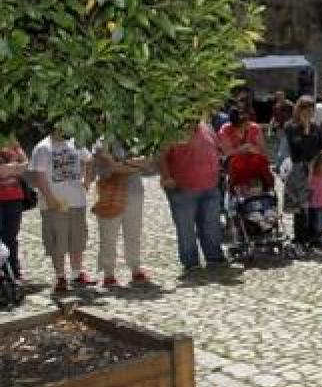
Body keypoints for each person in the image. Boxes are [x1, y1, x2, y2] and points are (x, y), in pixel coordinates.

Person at [160, 118, 227, 274]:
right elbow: (161, 155)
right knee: (186, 229)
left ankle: (214, 256)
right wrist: (166, 176)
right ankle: (191, 262)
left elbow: (217, 148)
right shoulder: (173, 129)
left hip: (210, 187)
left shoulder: (206, 126)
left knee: (211, 226)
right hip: (183, 189)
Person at [31, 131, 93, 293]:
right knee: (58, 241)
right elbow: (39, 176)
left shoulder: (75, 142)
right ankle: (60, 277)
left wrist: (86, 181)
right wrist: (50, 199)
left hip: (77, 201)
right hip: (56, 203)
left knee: (77, 239)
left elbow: (89, 160)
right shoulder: (43, 148)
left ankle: (76, 273)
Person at [91, 141, 151, 287]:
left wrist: (122, 164)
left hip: (134, 193)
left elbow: (147, 162)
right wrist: (133, 164)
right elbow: (114, 168)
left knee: (133, 233)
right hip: (110, 194)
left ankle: (135, 268)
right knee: (108, 235)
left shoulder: (136, 141)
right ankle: (108, 273)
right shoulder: (101, 144)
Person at [283, 96, 322, 245]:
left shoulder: (316, 128)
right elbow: (297, 148)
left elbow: (319, 147)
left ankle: (313, 233)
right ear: (299, 109)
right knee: (299, 206)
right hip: (298, 168)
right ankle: (299, 236)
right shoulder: (290, 127)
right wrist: (305, 130)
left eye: (311, 110)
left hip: (314, 167)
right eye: (305, 109)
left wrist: (315, 164)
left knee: (314, 202)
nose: (309, 113)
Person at [218, 105, 271, 189]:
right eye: (242, 124)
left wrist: (255, 150)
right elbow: (227, 152)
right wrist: (244, 148)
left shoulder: (255, 128)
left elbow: (263, 150)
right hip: (235, 165)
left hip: (254, 163)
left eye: (247, 122)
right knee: (236, 163)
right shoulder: (225, 130)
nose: (247, 125)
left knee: (261, 162)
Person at [0, 139, 29, 285]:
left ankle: (13, 272)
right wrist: (14, 168)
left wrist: (10, 168)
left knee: (11, 236)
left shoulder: (11, 139)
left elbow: (25, 164)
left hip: (14, 197)